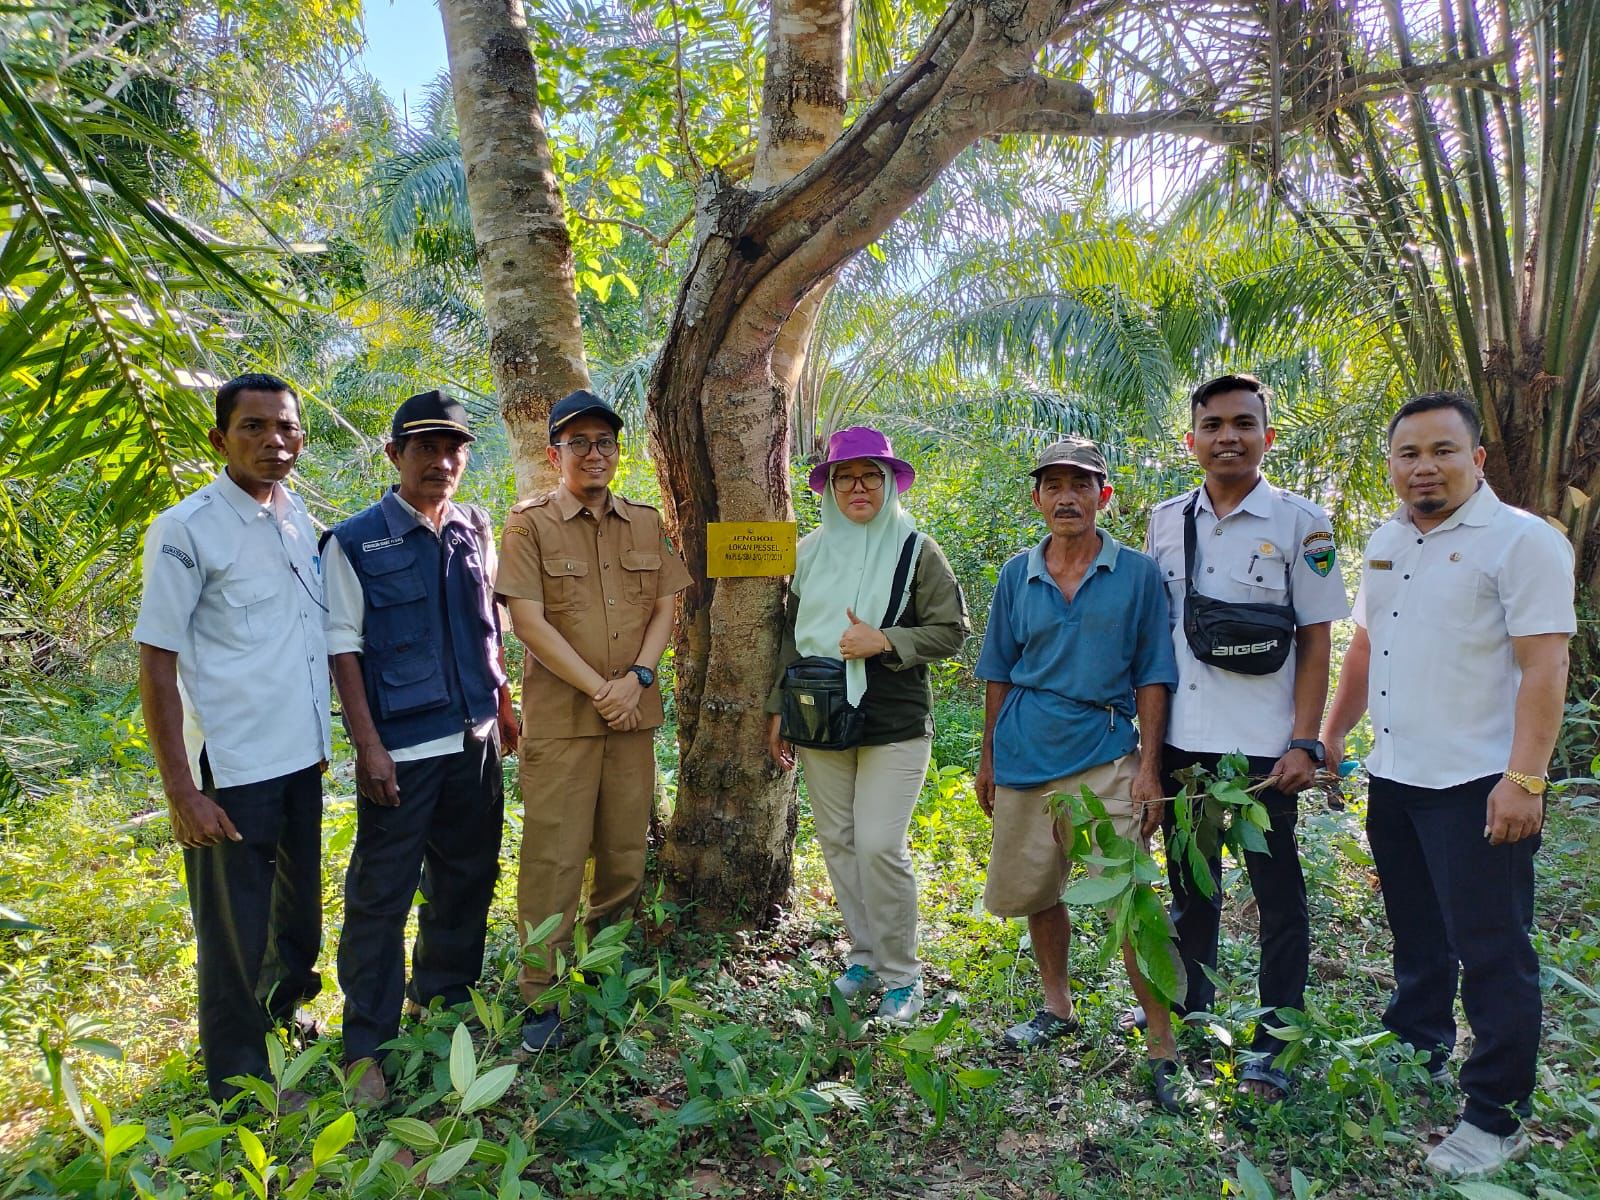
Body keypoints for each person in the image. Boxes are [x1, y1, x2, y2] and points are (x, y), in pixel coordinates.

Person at [1321, 392, 1574, 1178]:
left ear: (1478, 459)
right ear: (1391, 464)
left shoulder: (1521, 542)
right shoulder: (1387, 539)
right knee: (1417, 932)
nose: (1423, 466)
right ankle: (1416, 1044)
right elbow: (1365, 650)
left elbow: (1546, 665)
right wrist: (1330, 737)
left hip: (1478, 782)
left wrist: (1524, 779)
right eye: (1408, 453)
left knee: (1492, 949)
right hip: (1395, 776)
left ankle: (1497, 1116)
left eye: (1442, 450)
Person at [1135, 373, 1349, 1099]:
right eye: (1214, 424)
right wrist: (1149, 751)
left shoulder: (1302, 522)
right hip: (1186, 746)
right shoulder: (1166, 521)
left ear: (1268, 435)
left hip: (1266, 752)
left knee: (1278, 896)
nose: (1229, 436)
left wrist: (1306, 741)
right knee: (1193, 890)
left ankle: (1276, 1036)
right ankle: (1194, 1015)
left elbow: (1317, 642)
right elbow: (1157, 641)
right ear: (1191, 439)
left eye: (1244, 424)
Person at [975, 437, 1191, 1112]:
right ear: (1036, 498)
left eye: (1081, 484)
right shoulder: (1019, 573)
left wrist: (1148, 766)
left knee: (1131, 900)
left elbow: (1155, 670)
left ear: (1105, 495)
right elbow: (999, 670)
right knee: (1040, 891)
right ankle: (1056, 1006)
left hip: (1104, 753)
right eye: (1053, 485)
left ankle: (1162, 1044)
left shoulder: (1135, 574)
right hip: (1023, 753)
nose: (1066, 497)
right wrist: (987, 755)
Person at [133, 372, 331, 1106]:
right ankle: (240, 1081)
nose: (273, 441)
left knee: (296, 917)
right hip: (234, 766)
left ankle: (282, 1018)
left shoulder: (294, 518)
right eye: (253, 427)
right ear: (219, 439)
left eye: (286, 427)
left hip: (301, 759)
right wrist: (182, 790)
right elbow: (157, 662)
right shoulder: (185, 530)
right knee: (232, 934)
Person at [322, 389, 518, 1105]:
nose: (442, 461)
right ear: (394, 454)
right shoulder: (353, 541)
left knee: (466, 877)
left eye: (454, 448)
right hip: (401, 750)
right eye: (426, 448)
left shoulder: (474, 527)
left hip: (476, 739)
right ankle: (364, 1047)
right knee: (381, 896)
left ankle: (441, 1003)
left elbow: (485, 624)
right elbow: (343, 650)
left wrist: (503, 702)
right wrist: (366, 744)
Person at [496, 389, 692, 1052]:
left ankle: (607, 969)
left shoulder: (644, 522)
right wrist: (599, 689)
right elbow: (528, 622)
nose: (594, 453)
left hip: (631, 715)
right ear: (555, 455)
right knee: (553, 859)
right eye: (578, 443)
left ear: (617, 450)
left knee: (623, 854)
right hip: (563, 721)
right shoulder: (528, 526)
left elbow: (667, 604)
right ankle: (541, 994)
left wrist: (636, 678)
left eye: (604, 441)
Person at [764, 427, 969, 1025]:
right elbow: (787, 634)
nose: (857, 487)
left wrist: (884, 640)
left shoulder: (915, 549)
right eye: (844, 477)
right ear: (828, 488)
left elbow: (950, 630)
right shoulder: (806, 551)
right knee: (839, 842)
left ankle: (904, 974)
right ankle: (864, 956)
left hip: (893, 720)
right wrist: (777, 708)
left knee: (880, 844)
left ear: (888, 484)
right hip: (819, 715)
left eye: (869, 477)